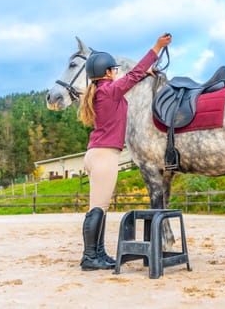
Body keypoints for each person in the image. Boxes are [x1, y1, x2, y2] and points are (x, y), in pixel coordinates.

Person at [77, 33, 172, 271]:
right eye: (114, 70)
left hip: (97, 154)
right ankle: (89, 256)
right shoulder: (109, 90)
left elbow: (130, 81)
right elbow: (132, 75)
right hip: (104, 157)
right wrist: (156, 48)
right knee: (97, 208)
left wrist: (144, 76)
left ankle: (98, 253)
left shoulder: (101, 90)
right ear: (108, 72)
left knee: (100, 206)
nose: (116, 72)